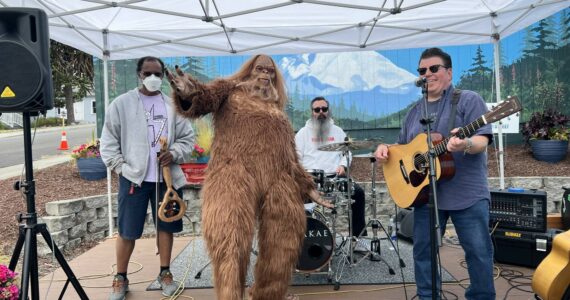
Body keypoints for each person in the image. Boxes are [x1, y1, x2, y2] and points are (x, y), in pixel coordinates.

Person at [167, 54, 330, 300]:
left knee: (283, 245)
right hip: (233, 175)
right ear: (249, 70)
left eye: (270, 71)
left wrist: (307, 186)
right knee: (230, 246)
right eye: (260, 68)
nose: (265, 74)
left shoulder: (278, 113)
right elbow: (203, 100)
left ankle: (268, 295)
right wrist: (189, 93)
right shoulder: (229, 90)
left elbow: (289, 159)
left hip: (277, 182)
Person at [374, 47, 495, 300]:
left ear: (449, 73)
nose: (427, 74)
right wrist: (385, 149)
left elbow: (482, 140)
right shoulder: (415, 111)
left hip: (468, 195)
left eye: (433, 68)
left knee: (478, 252)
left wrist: (466, 144)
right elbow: (402, 147)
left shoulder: (468, 100)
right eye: (422, 70)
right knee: (423, 252)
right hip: (427, 197)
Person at [100, 56, 194, 300]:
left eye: (157, 74)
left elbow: (188, 139)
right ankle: (120, 278)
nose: (153, 78)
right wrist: (122, 168)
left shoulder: (173, 105)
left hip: (167, 180)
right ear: (138, 74)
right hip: (134, 179)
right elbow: (108, 143)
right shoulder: (121, 104)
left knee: (167, 226)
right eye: (147, 73)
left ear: (163, 76)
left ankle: (165, 273)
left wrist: (173, 153)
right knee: (127, 230)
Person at [295, 96, 368, 249]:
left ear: (328, 111)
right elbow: (295, 159)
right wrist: (303, 177)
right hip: (311, 178)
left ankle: (358, 239)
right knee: (296, 198)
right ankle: (301, 241)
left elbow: (347, 153)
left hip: (335, 177)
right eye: (317, 110)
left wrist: (343, 165)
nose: (321, 112)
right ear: (312, 112)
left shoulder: (338, 131)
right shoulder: (302, 134)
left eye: (324, 109)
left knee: (359, 194)